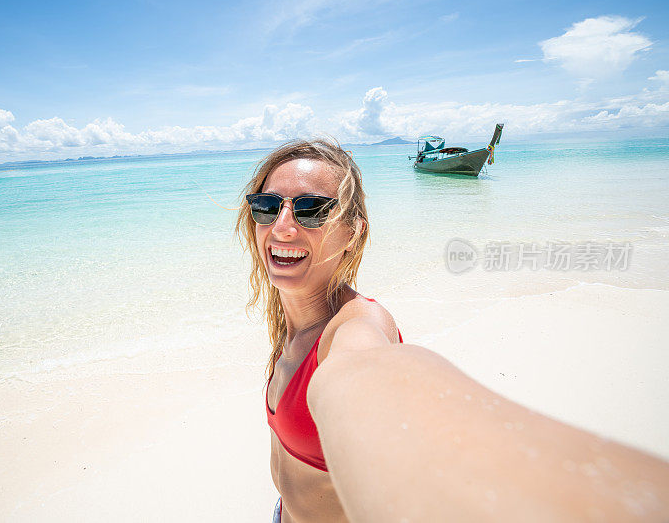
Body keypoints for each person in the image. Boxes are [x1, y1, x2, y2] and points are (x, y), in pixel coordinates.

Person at [236, 139, 669, 522]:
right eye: (268, 206)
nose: (283, 226)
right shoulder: (291, 325)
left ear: (353, 232)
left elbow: (372, 381)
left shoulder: (355, 329)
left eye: (313, 209)